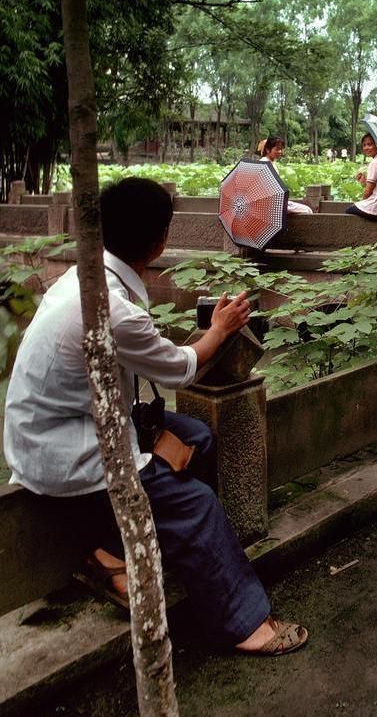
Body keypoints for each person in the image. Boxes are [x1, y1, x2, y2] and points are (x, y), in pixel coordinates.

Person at [3, 177, 308, 656]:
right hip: (66, 447)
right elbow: (181, 369)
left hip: (64, 426)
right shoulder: (112, 308)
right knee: (197, 506)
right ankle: (245, 623)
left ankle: (126, 552)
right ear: (161, 239)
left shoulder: (86, 276)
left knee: (197, 438)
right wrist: (220, 327)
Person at [257, 136, 313, 214]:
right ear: (267, 150)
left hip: (276, 201)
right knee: (306, 211)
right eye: (277, 149)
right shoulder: (264, 163)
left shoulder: (271, 163)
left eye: (281, 149)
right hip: (269, 204)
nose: (280, 151)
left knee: (307, 209)